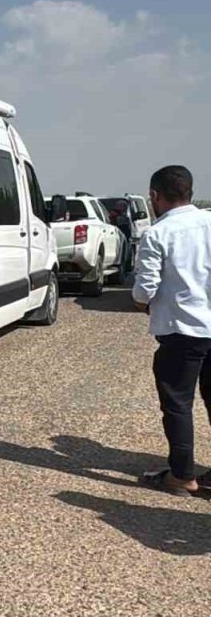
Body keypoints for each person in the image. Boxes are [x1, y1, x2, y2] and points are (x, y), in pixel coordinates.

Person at [132, 166, 211, 497]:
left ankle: (182, 476)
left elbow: (143, 291)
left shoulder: (157, 234)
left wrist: (143, 301)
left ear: (155, 196)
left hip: (182, 333)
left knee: (178, 403)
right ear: (190, 191)